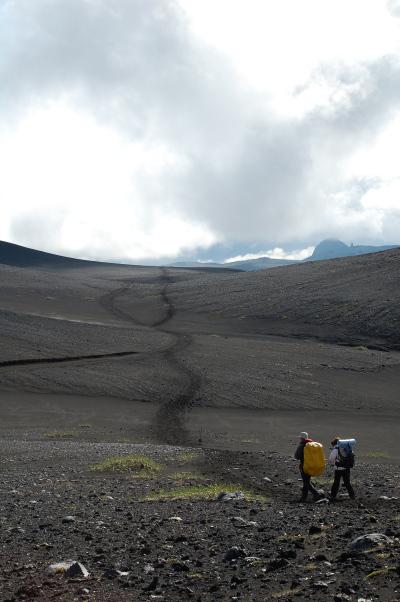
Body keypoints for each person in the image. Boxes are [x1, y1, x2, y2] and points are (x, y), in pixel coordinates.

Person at [294, 432, 321, 502]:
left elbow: (296, 456)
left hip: (304, 466)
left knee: (306, 482)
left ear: (301, 438)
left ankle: (316, 494)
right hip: (312, 465)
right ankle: (303, 498)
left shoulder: (302, 445)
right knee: (306, 481)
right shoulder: (312, 444)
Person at [329, 437, 355, 501]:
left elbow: (331, 459)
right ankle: (352, 496)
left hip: (338, 469)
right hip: (346, 468)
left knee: (336, 483)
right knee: (347, 483)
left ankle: (333, 496)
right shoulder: (348, 447)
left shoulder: (336, 449)